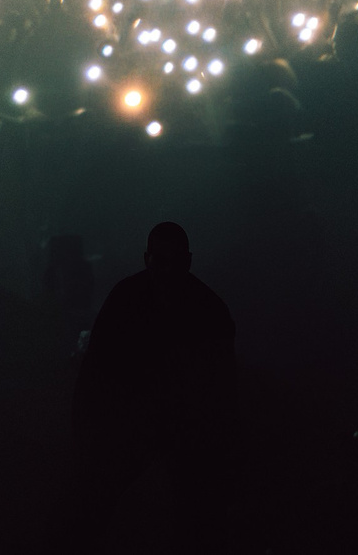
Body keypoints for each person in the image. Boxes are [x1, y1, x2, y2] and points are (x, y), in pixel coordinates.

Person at [57, 220, 237, 549]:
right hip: (154, 438)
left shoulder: (129, 297)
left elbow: (94, 376)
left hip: (153, 439)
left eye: (173, 261)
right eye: (161, 261)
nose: (166, 271)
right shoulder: (208, 309)